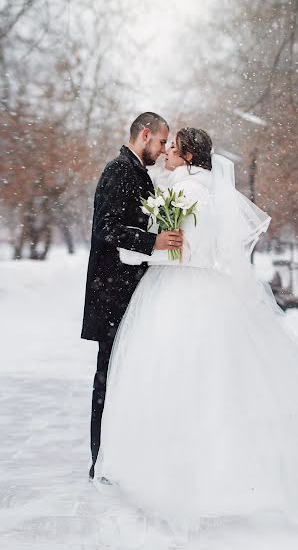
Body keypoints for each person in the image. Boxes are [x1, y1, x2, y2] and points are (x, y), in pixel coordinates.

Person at [95, 127, 298, 535]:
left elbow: (179, 251)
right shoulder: (208, 191)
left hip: (176, 291)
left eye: (172, 149)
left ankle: (177, 478)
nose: (167, 154)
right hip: (210, 289)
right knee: (221, 386)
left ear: (188, 156)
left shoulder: (185, 194)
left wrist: (146, 250)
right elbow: (214, 251)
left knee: (172, 382)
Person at [81, 112, 183, 480]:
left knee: (122, 376)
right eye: (160, 142)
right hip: (112, 294)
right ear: (144, 135)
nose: (161, 149)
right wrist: (151, 241)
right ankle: (100, 460)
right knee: (107, 378)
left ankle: (114, 457)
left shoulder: (137, 173)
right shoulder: (119, 170)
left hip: (127, 293)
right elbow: (106, 228)